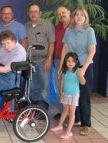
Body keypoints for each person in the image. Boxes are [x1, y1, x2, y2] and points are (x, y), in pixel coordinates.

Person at [59, 7, 96, 136]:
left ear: (85, 18)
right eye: (77, 15)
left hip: (85, 66)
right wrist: (60, 67)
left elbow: (92, 51)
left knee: (84, 96)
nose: (79, 17)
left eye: (82, 15)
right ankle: (77, 119)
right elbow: (65, 49)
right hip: (71, 67)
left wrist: (83, 70)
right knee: (73, 93)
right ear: (73, 17)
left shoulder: (89, 31)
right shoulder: (68, 31)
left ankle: (86, 124)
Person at [25, 2, 55, 108]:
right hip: (30, 61)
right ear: (28, 13)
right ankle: (35, 110)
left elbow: (51, 43)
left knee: (44, 86)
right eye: (31, 12)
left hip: (43, 60)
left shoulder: (47, 25)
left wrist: (49, 59)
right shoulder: (26, 26)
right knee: (32, 87)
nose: (33, 14)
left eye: (36, 11)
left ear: (40, 13)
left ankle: (44, 111)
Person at [51, 52, 86, 139]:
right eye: (68, 61)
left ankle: (68, 132)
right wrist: (60, 90)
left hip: (74, 95)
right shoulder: (65, 71)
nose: (70, 63)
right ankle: (60, 125)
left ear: (76, 62)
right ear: (65, 62)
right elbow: (63, 81)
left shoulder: (78, 71)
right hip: (65, 94)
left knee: (71, 113)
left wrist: (81, 76)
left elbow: (83, 82)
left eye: (73, 61)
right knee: (64, 110)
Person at [53, 6, 71, 120]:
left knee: (69, 88)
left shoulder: (74, 27)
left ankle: (72, 115)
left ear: (69, 12)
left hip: (70, 63)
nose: (61, 15)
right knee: (59, 87)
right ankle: (62, 111)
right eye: (59, 14)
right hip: (58, 60)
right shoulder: (57, 28)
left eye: (63, 12)